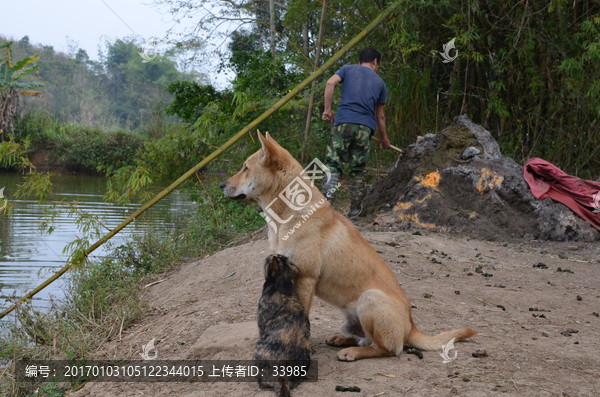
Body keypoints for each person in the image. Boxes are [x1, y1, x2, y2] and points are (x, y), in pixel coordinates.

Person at [321, 47, 391, 219]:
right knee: (357, 171)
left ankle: (324, 209)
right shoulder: (381, 83)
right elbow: (380, 116)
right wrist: (384, 139)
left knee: (333, 165)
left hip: (343, 122)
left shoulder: (347, 69)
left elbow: (330, 83)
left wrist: (327, 110)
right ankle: (354, 213)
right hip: (365, 128)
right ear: (375, 61)